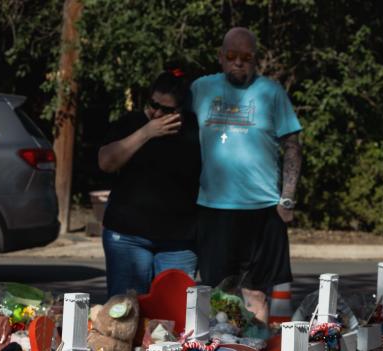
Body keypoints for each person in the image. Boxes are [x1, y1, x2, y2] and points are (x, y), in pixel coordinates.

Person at [191, 27, 302, 322]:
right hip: (215, 208)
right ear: (221, 57)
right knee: (216, 293)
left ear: (255, 59)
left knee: (256, 294)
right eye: (231, 56)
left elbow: (292, 146)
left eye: (246, 57)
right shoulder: (201, 88)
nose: (238, 62)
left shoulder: (271, 93)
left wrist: (287, 198)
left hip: (263, 210)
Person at [98, 69, 201, 297]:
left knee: (173, 313)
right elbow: (106, 162)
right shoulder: (132, 123)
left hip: (179, 241)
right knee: (123, 311)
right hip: (127, 236)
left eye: (166, 110)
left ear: (182, 110)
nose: (157, 113)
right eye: (153, 105)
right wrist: (146, 133)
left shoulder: (195, 130)